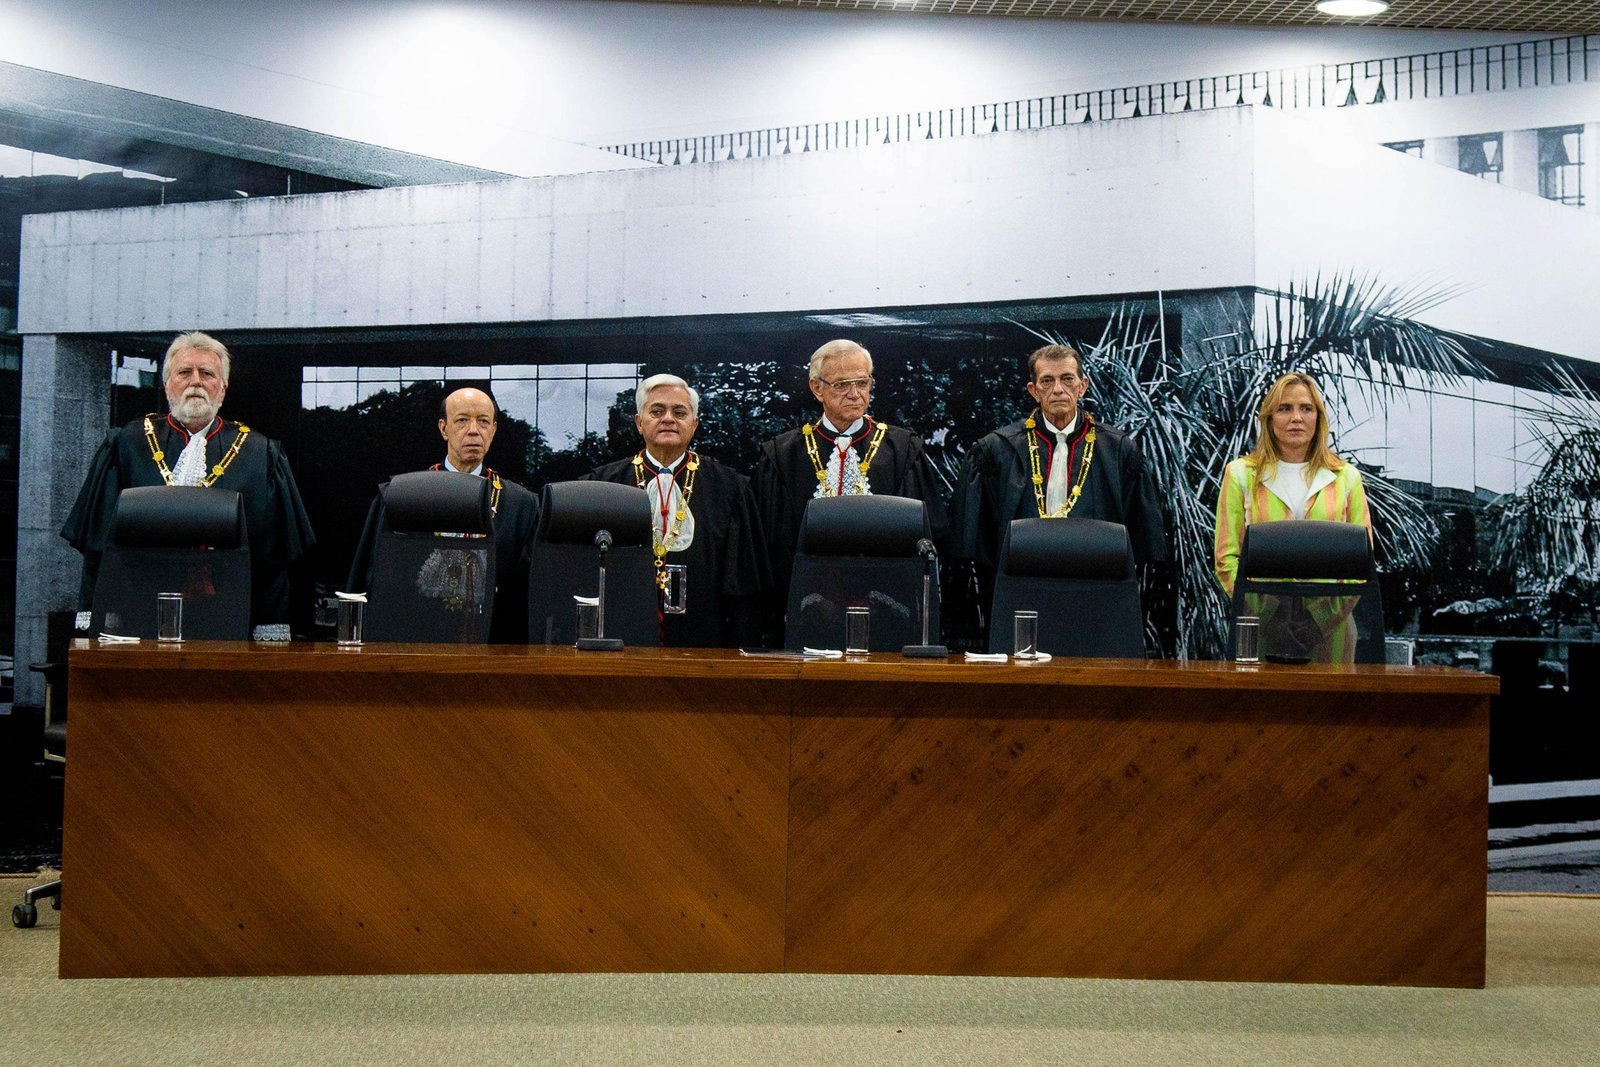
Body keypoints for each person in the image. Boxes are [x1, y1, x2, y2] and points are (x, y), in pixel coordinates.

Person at [62, 331, 314, 629]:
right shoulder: (126, 445)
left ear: (223, 388)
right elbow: (98, 547)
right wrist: (97, 617)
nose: (195, 381)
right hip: (139, 614)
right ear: (168, 384)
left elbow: (274, 558)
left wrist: (268, 628)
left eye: (207, 373)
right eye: (184, 372)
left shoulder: (261, 454)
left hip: (228, 617)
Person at [952, 343, 1167, 640]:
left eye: (1067, 379)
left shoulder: (1118, 452)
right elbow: (976, 547)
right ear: (1033, 390)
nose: (1058, 389)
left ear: (1082, 386)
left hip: (1096, 597)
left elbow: (1145, 545)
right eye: (1047, 381)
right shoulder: (997, 450)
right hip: (1021, 595)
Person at [754, 339, 949, 631]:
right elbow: (771, 544)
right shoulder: (783, 454)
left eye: (862, 382)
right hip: (807, 608)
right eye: (842, 385)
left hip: (886, 608)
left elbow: (925, 539)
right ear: (817, 388)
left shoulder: (903, 450)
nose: (855, 394)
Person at [586, 374, 769, 647]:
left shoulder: (732, 490)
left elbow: (744, 588)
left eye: (679, 412)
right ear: (639, 422)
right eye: (657, 411)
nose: (668, 418)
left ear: (694, 424)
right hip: (623, 638)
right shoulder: (602, 486)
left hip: (704, 640)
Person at [347, 387, 539, 643]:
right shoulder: (403, 498)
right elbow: (374, 585)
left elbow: (528, 596)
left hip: (492, 644)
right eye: (462, 420)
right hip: (416, 642)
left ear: (493, 430)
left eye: (483, 421)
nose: (473, 430)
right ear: (444, 428)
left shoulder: (520, 505)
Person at [1213, 371, 1373, 663]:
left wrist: (1318, 621)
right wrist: (1266, 617)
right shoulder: (1240, 475)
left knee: (1330, 708)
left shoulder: (1347, 478)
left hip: (1331, 631)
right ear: (1270, 420)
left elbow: (1361, 565)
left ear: (1318, 419)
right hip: (1259, 628)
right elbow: (1227, 559)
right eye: (1285, 408)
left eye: (1306, 408)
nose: (1296, 417)